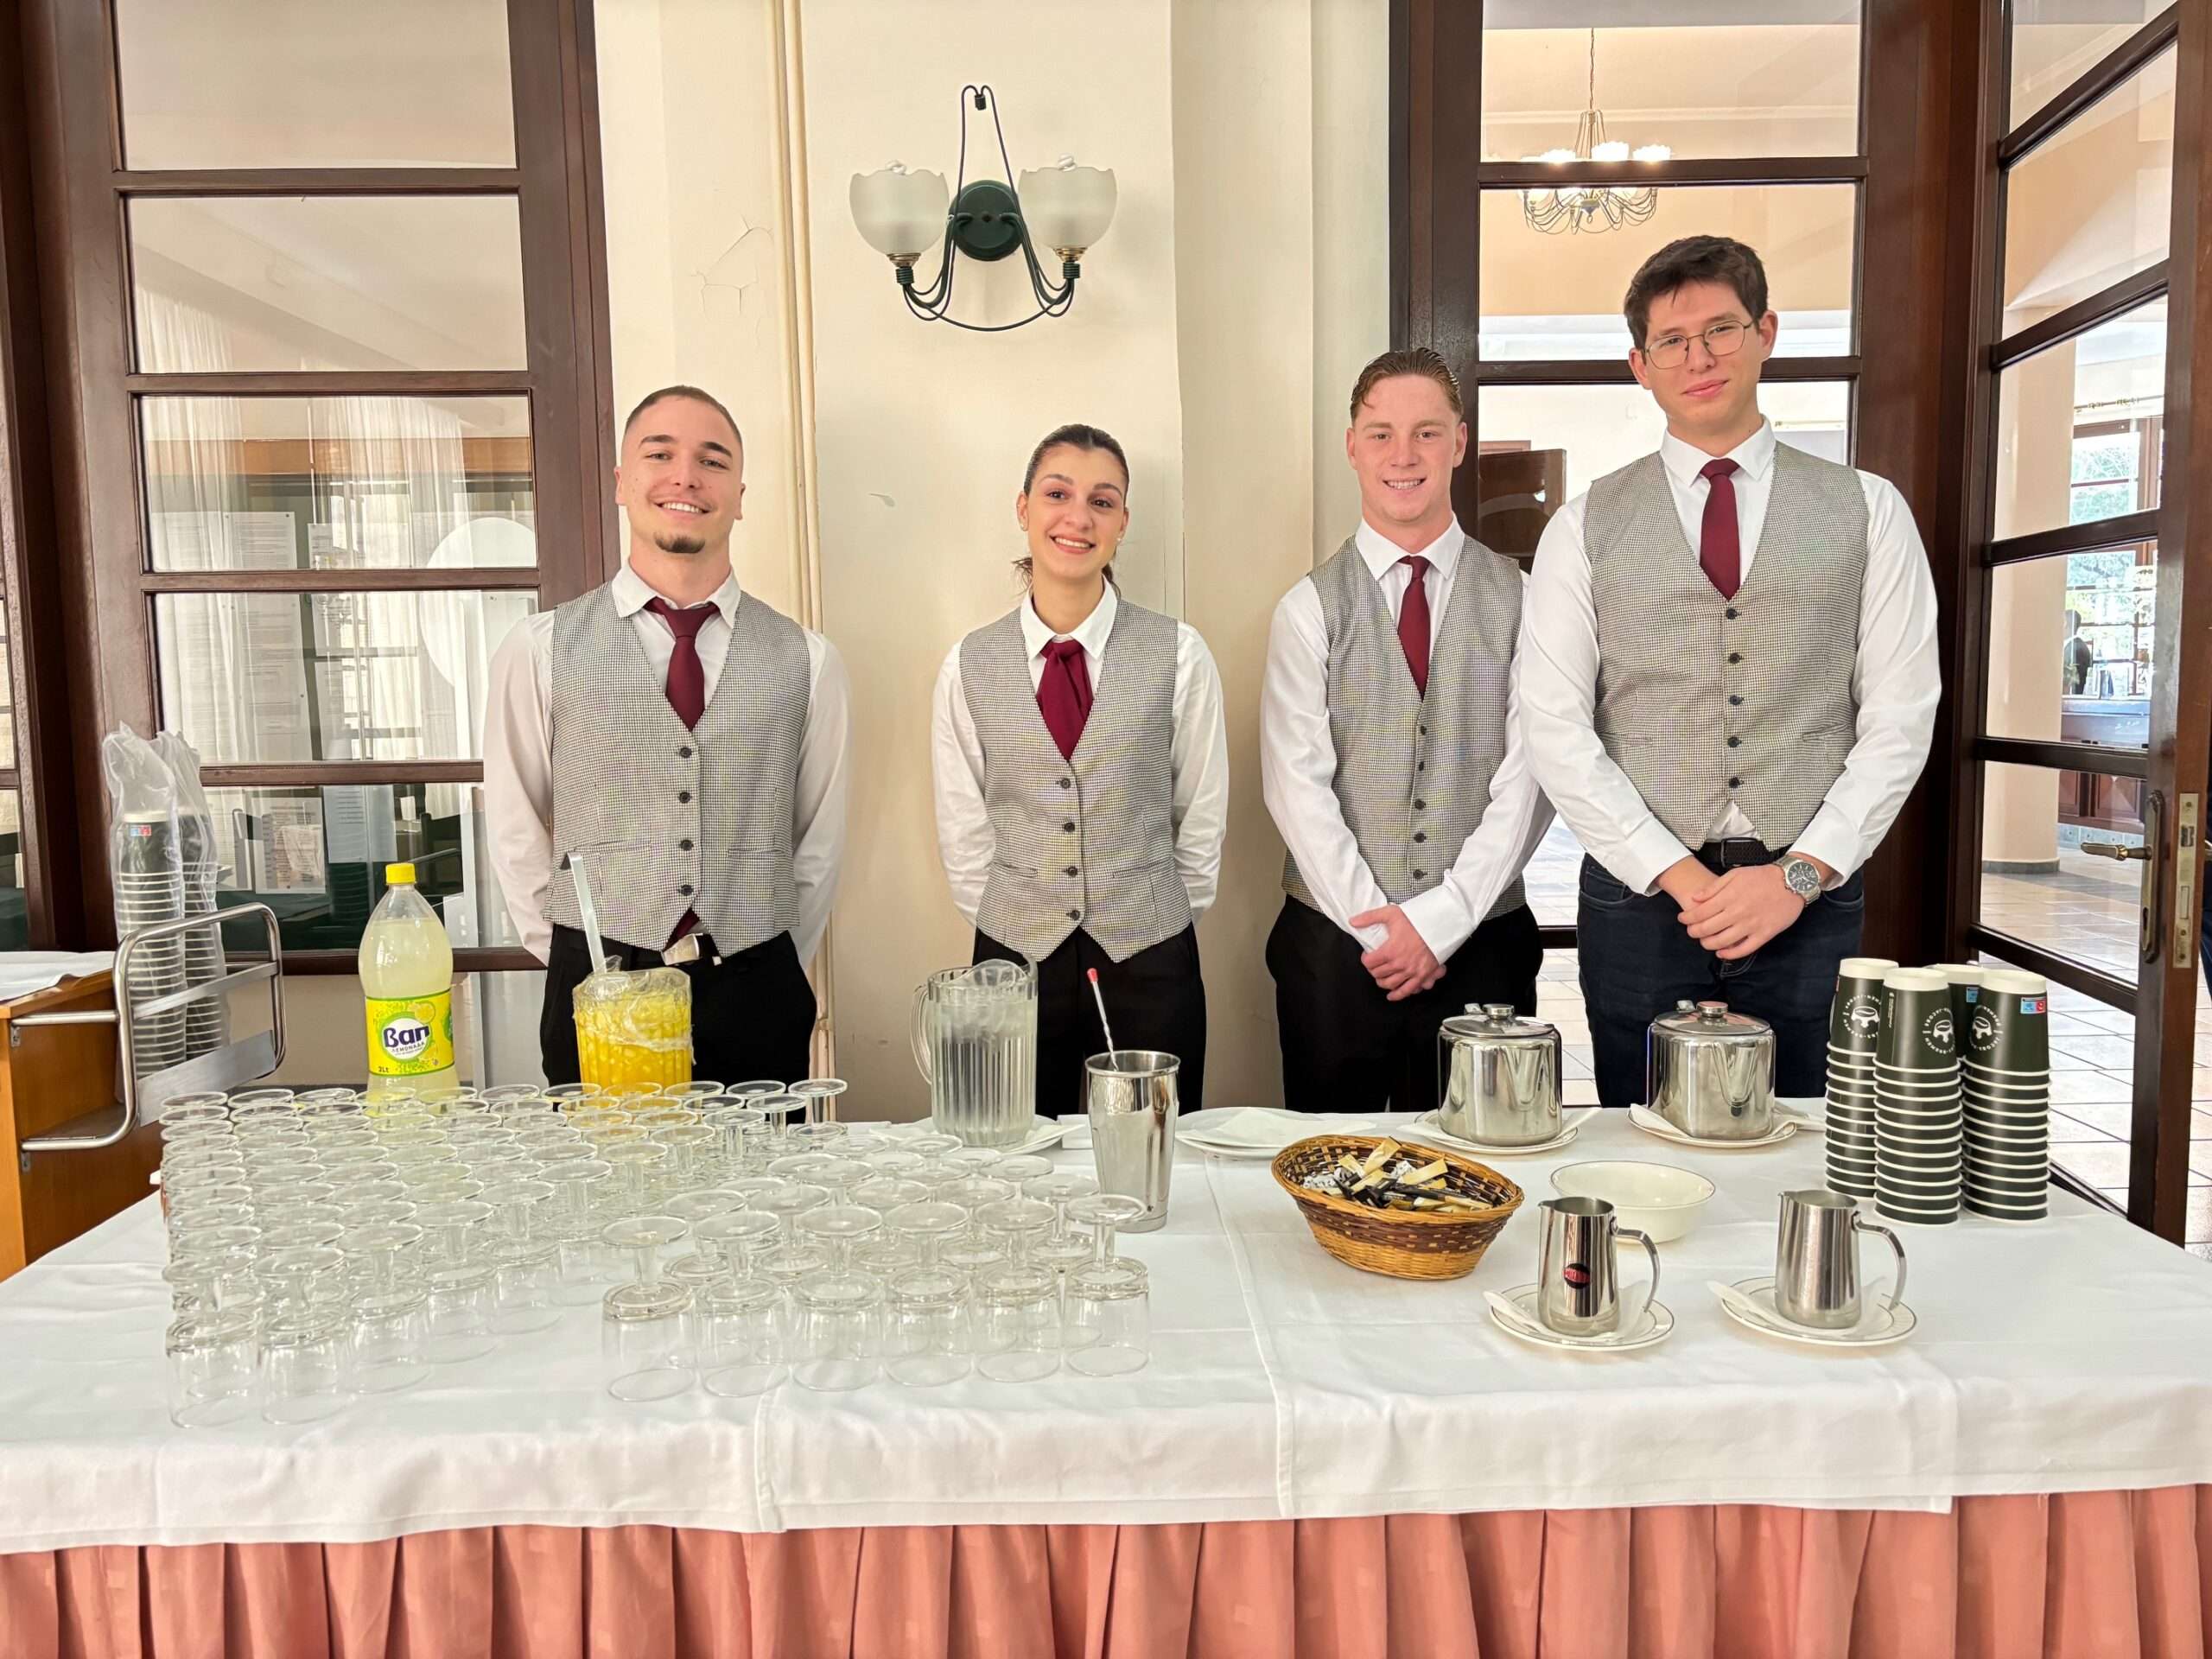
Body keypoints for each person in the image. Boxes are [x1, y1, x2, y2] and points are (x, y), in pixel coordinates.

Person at [1519, 235, 1940, 1107]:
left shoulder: (1868, 509)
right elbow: (1555, 726)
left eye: (1720, 329)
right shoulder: (1583, 524)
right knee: (1640, 1138)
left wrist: (1798, 876)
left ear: (1765, 333)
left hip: (1808, 894)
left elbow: (1900, 717)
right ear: (1640, 365)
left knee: (1801, 1134)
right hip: (1639, 900)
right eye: (1671, 341)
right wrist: (1678, 877)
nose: (1698, 358)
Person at [485, 385, 851, 1085]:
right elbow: (514, 825)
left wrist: (763, 951)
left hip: (756, 987)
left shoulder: (808, 660)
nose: (686, 477)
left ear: (739, 496)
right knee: (602, 1160)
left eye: (712, 461)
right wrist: (576, 958)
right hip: (598, 980)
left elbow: (819, 843)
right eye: (660, 455)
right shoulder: (539, 648)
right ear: (622, 482)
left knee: (765, 1162)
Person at [1261, 348, 1553, 1114]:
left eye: (1426, 432)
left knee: (1481, 1162)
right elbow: (1295, 788)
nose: (1404, 455)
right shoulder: (1308, 608)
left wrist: (1442, 922)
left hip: (1484, 944)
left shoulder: (1524, 599)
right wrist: (1382, 933)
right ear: (1352, 447)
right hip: (1334, 952)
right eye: (1381, 433)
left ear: (1459, 443)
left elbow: (1532, 779)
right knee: (1333, 1165)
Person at [931, 424, 1228, 1116]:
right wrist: (1018, 920)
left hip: (1151, 961)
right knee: (1015, 1150)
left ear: (1123, 522)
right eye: (1058, 494)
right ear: (1024, 508)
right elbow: (963, 829)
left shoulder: (1180, 654)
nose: (1078, 517)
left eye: (1102, 501)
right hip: (1013, 963)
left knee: (1150, 1151)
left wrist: (1149, 918)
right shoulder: (968, 664)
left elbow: (1201, 815)